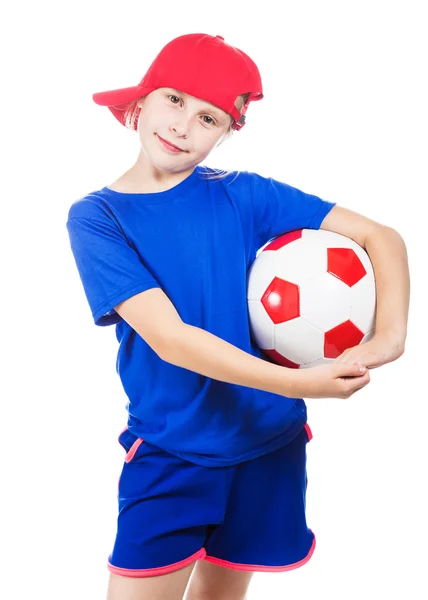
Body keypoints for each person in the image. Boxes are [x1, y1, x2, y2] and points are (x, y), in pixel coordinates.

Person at [66, 33, 409, 600]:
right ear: (141, 101)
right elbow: (172, 339)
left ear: (226, 132)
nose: (182, 126)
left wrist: (390, 336)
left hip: (266, 443)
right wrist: (301, 384)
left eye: (207, 117)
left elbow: (381, 236)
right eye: (173, 100)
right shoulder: (99, 217)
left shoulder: (243, 196)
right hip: (173, 449)